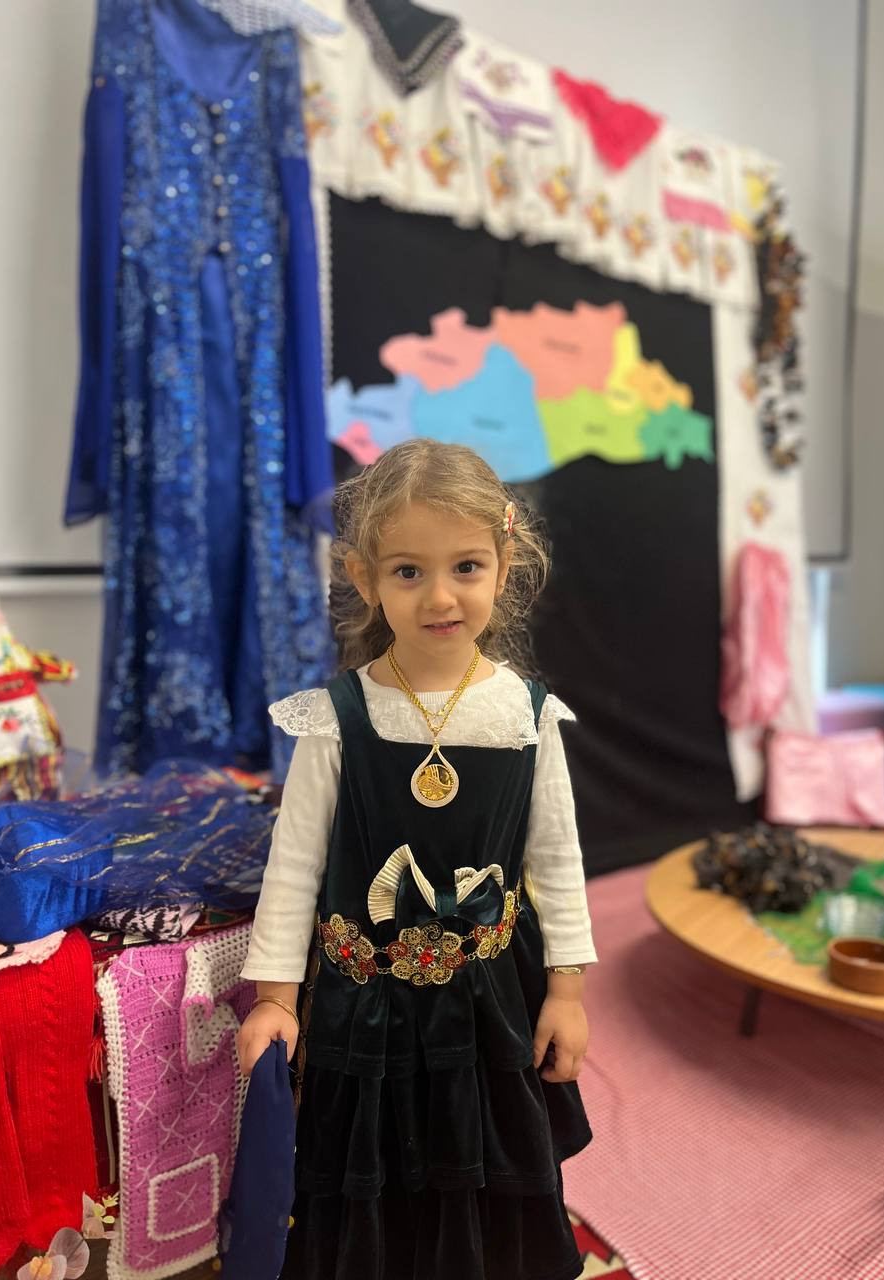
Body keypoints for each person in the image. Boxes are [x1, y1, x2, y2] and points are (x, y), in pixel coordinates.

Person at [236, 438, 597, 1280]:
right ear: (364, 577)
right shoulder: (337, 719)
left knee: (481, 1172)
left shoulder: (527, 715)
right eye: (408, 571)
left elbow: (557, 858)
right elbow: (294, 868)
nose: (440, 595)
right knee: (372, 1180)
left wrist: (569, 993)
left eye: (466, 566)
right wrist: (275, 1000)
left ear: (505, 563)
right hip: (363, 1013)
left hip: (489, 1007)